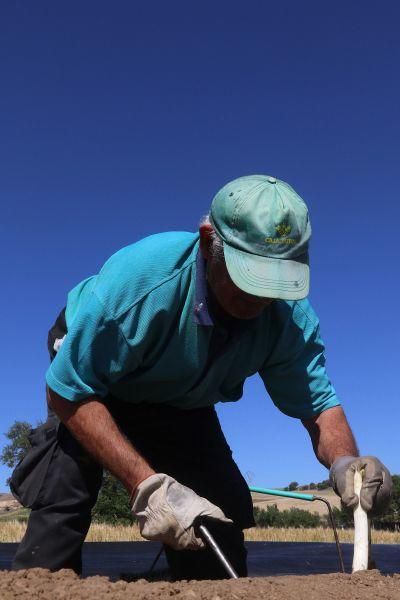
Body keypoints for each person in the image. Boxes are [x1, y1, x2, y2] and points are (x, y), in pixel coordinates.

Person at [11, 174, 392, 579]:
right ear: (210, 240)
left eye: (276, 282)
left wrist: (346, 463)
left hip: (180, 398)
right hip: (95, 382)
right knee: (64, 492)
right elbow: (67, 392)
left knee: (216, 520)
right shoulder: (139, 285)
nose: (261, 299)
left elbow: (319, 407)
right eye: (251, 277)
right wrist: (149, 486)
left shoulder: (287, 320)